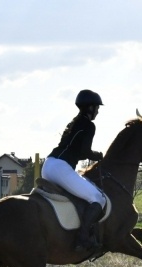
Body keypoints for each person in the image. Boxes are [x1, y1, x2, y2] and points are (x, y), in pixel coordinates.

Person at [43, 89, 107, 252]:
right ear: (90, 108)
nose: (98, 112)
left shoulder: (73, 122)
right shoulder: (89, 125)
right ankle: (82, 239)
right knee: (98, 198)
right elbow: (85, 152)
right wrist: (99, 155)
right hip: (60, 168)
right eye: (97, 108)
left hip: (48, 165)